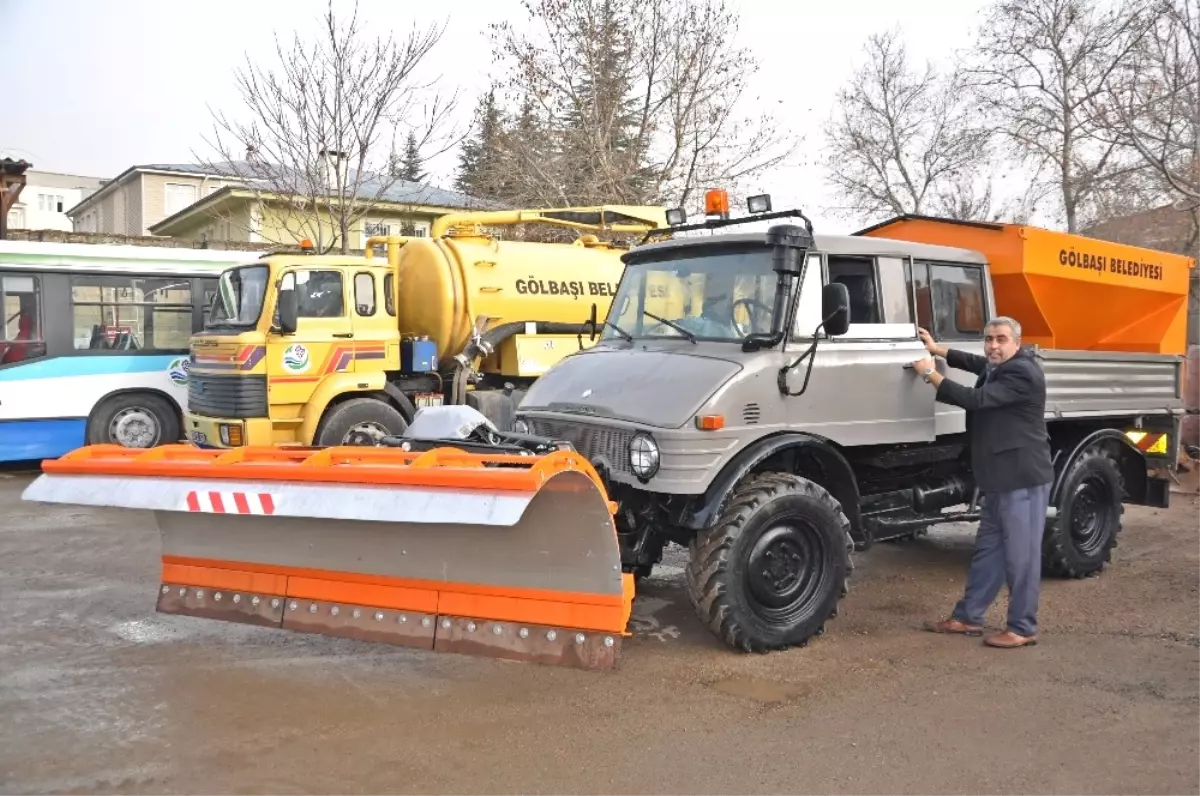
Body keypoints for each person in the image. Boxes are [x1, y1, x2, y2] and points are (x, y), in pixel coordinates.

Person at [909, 317, 1054, 649]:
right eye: (988, 339)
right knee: (988, 551)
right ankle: (967, 618)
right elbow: (975, 363)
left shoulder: (1022, 373)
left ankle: (1023, 627)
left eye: (1001, 339)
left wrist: (929, 371)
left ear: (1017, 342)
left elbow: (975, 400)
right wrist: (937, 348)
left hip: (1022, 479)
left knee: (1022, 558)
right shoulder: (998, 364)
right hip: (998, 479)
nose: (993, 346)